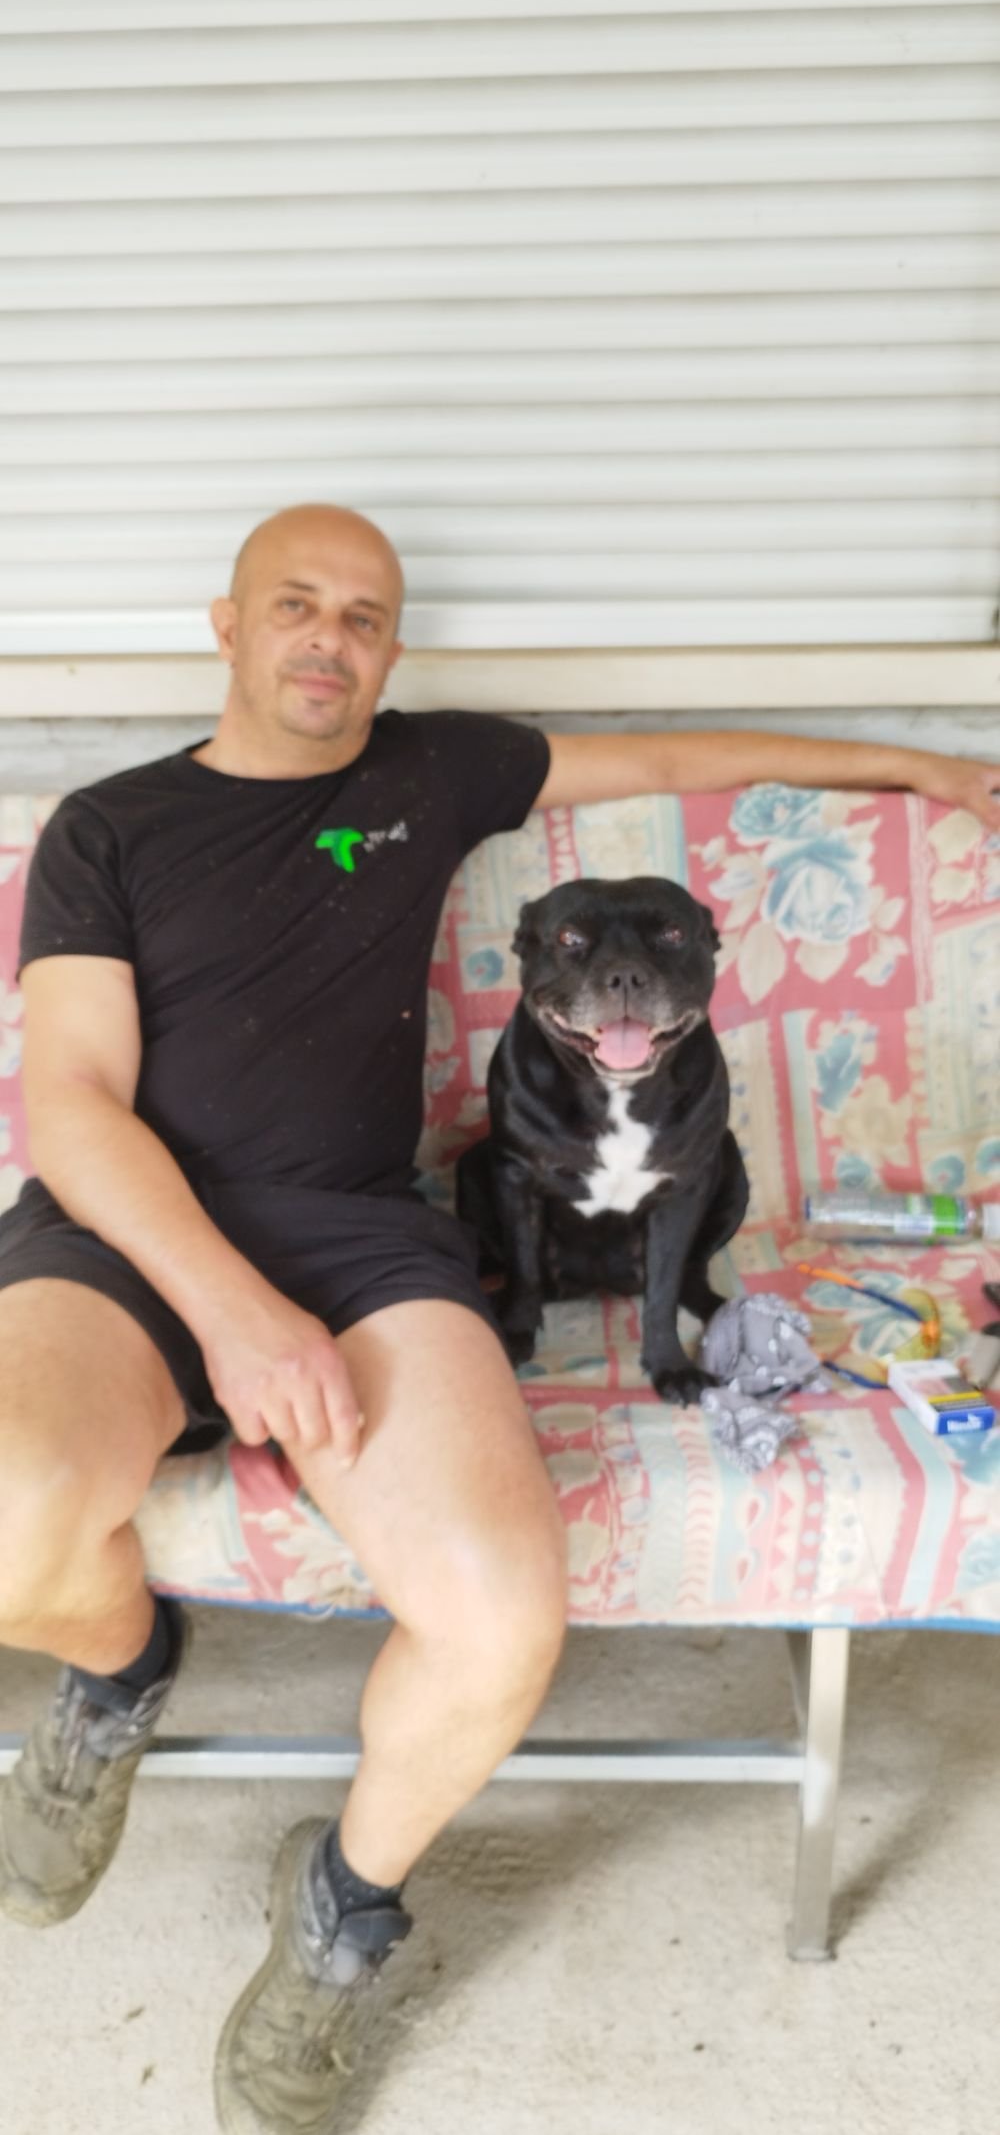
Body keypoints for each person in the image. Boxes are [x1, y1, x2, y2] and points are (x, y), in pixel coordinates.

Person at [0, 503, 996, 2135]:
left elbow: (672, 755)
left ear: (392, 649)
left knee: (501, 1613)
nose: (329, 639)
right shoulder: (109, 826)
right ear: (228, 625)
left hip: (365, 1239)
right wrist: (236, 1317)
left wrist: (920, 765)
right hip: (122, 1237)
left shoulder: (432, 771)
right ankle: (119, 1674)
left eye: (364, 616)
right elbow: (76, 1106)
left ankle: (340, 1906)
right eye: (296, 604)